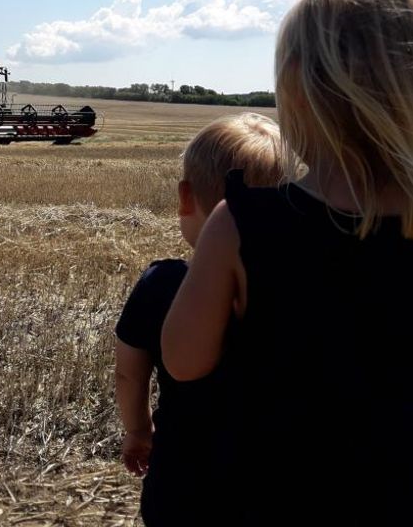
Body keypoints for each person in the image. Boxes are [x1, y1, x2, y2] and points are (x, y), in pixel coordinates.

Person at [161, 0, 413, 526]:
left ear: (294, 84)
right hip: (401, 494)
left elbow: (184, 363)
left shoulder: (242, 223)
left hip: (269, 490)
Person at [114, 112, 293, 526]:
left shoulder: (161, 285)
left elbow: (129, 374)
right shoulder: (302, 290)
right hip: (280, 481)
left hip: (185, 481)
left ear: (184, 197)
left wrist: (138, 431)